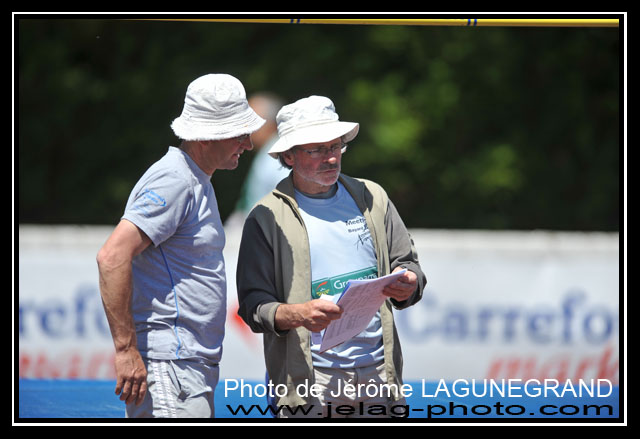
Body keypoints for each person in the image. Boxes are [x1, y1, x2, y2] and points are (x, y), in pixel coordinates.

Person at [236, 95, 426, 419]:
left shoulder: (372, 197)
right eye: (316, 149)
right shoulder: (266, 216)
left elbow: (409, 265)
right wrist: (298, 314)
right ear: (289, 156)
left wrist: (408, 282)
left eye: (336, 146)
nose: (331, 157)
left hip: (379, 374)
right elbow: (253, 307)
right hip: (310, 381)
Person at [97, 73, 265, 418]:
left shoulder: (192, 178)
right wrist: (126, 349)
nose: (248, 144)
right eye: (238, 133)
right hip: (171, 362)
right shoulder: (175, 179)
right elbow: (112, 256)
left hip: (181, 362)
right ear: (205, 137)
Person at [233, 92, 290, 218]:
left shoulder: (279, 155)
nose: (245, 128)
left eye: (251, 121)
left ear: (269, 123)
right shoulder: (270, 151)